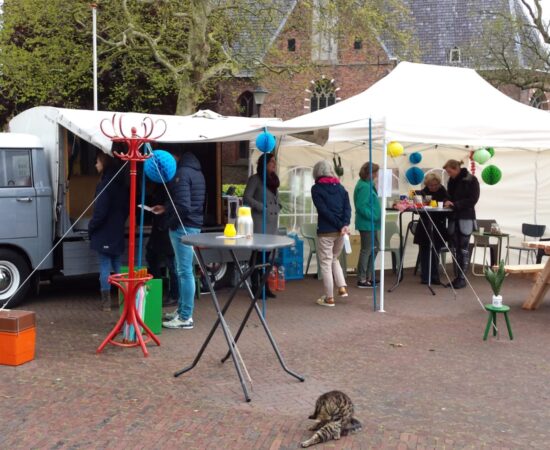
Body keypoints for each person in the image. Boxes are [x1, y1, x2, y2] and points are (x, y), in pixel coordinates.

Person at [153, 150, 206, 329]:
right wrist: (166, 207)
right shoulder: (195, 171)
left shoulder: (182, 173)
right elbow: (185, 201)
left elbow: (183, 206)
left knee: (184, 272)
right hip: (192, 225)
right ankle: (182, 310)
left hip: (183, 227)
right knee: (184, 270)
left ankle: (185, 317)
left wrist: (168, 223)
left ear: (173, 157)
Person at [88, 152, 128, 311]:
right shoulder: (120, 183)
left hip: (104, 231)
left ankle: (106, 303)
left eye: (97, 162)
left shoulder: (104, 184)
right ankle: (124, 298)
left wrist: (91, 227)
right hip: (117, 229)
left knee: (105, 265)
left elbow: (100, 212)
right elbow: (126, 208)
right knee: (118, 264)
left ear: (104, 163)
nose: (95, 165)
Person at [311, 160, 351, 307]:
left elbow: (323, 211)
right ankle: (341, 287)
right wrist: (344, 225)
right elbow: (348, 208)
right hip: (341, 232)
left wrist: (341, 225)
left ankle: (329, 298)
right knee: (334, 258)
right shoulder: (341, 188)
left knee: (326, 263)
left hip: (326, 231)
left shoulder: (316, 189)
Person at [243, 153, 281, 298]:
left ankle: (265, 286)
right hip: (260, 221)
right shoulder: (255, 179)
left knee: (268, 256)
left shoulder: (273, 180)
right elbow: (246, 197)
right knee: (258, 255)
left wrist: (278, 205)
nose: (274, 164)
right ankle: (255, 285)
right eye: (271, 162)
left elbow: (274, 197)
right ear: (264, 163)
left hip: (272, 222)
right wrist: (262, 207)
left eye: (274, 162)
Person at [443, 159, 480, 289]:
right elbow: (448, 195)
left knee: (463, 249)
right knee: (454, 248)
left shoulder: (471, 180)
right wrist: (447, 200)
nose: (449, 174)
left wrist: (456, 204)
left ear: (456, 168)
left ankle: (462, 278)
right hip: (454, 217)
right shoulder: (452, 181)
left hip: (466, 217)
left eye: (449, 171)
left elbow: (473, 199)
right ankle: (457, 277)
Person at [145, 184, 179, 307]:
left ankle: (174, 295)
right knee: (154, 257)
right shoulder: (163, 185)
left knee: (172, 265)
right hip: (161, 229)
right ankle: (160, 290)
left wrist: (164, 211)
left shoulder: (170, 185)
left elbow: (176, 205)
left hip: (165, 228)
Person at [414, 172, 449, 285]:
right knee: (424, 251)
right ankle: (425, 277)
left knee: (435, 250)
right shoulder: (423, 192)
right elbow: (417, 210)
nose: (433, 187)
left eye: (435, 185)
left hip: (438, 224)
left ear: (439, 183)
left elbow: (446, 208)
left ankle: (434, 276)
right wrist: (419, 204)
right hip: (424, 224)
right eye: (430, 185)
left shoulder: (444, 192)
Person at [354, 162, 381, 288]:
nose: (376, 175)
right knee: (367, 250)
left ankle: (368, 277)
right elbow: (361, 206)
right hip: (367, 223)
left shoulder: (367, 184)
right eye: (374, 172)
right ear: (369, 173)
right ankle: (362, 278)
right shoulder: (364, 187)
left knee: (375, 248)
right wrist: (373, 216)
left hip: (371, 223)